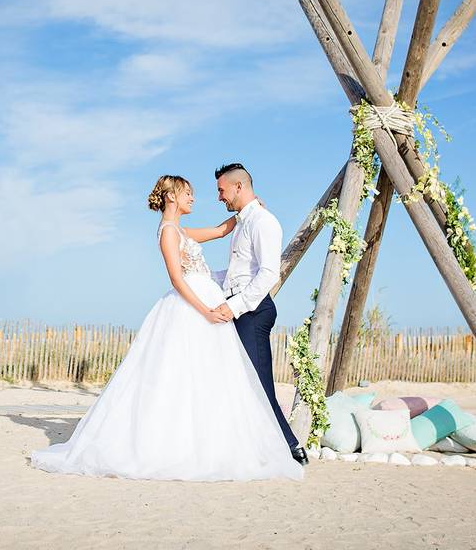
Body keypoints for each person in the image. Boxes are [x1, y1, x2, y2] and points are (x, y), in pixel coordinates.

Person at [30, 175, 303, 482]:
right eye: (188, 193)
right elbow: (177, 279)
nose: (194, 198)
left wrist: (249, 209)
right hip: (193, 308)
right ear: (172, 197)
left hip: (210, 300)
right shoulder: (168, 233)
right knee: (180, 374)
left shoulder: (181, 231)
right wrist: (204, 310)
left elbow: (220, 230)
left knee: (211, 375)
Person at [210, 163, 309, 466]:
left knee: (259, 385)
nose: (219, 197)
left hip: (253, 314)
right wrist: (200, 275)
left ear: (238, 187)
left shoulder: (263, 222)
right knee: (239, 382)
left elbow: (268, 274)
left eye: (221, 190)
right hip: (241, 311)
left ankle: (292, 447)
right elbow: (237, 274)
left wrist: (234, 306)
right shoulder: (243, 223)